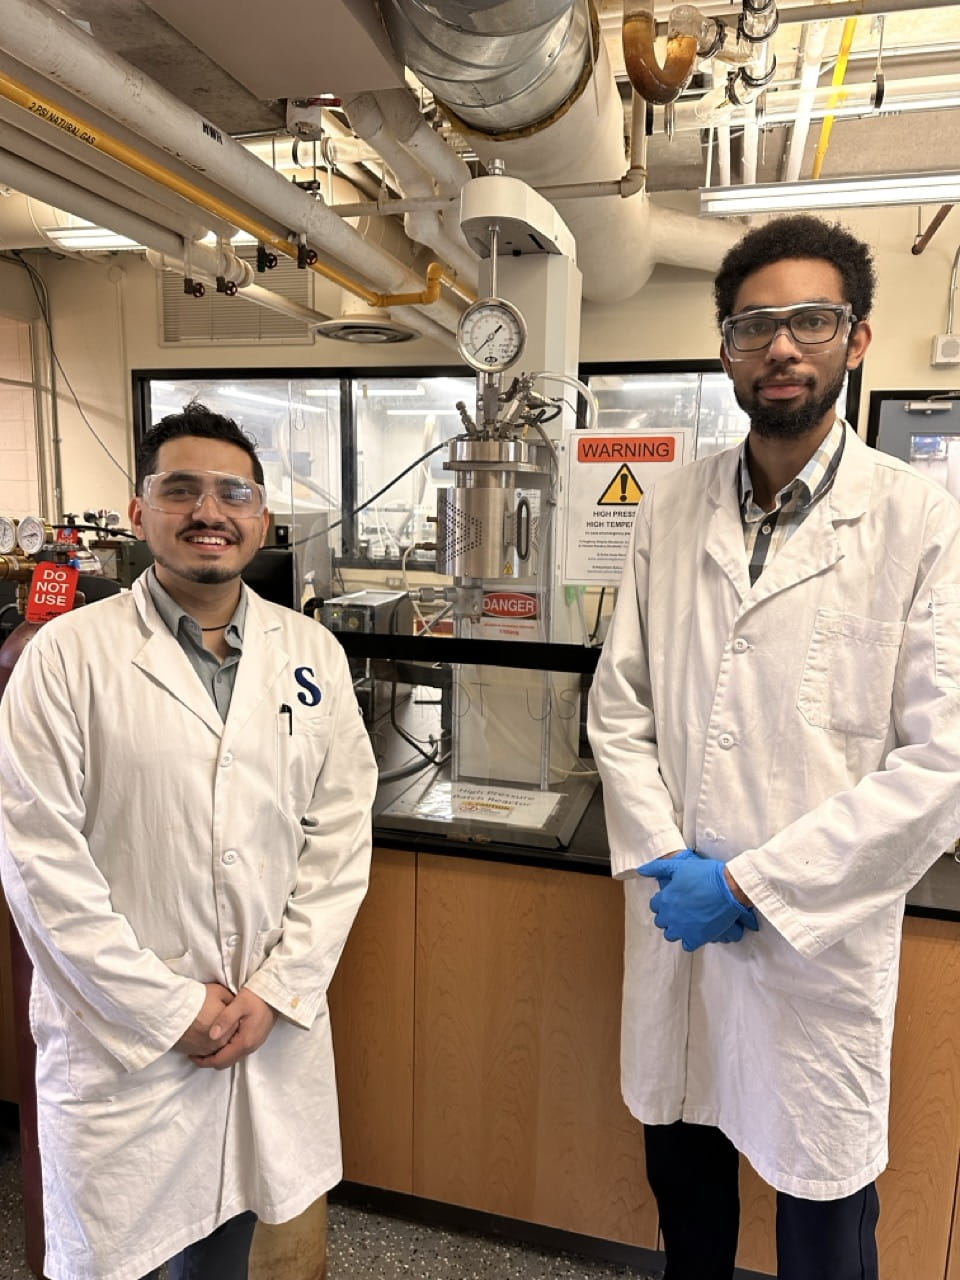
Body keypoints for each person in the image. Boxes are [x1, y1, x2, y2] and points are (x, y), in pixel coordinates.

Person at [588, 215, 960, 1280]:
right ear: (725, 350)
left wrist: (750, 883)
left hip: (816, 939)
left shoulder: (921, 522)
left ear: (858, 338)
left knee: (824, 1221)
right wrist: (671, 863)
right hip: (679, 916)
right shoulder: (670, 507)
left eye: (810, 320)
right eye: (755, 325)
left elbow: (942, 765)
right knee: (688, 1190)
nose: (782, 347)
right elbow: (623, 703)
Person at [0, 402, 378, 1280]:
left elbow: (340, 839)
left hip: (260, 1022)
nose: (209, 511)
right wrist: (172, 1008)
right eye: (181, 490)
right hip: (124, 1044)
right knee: (123, 1254)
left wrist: (279, 988)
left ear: (263, 519)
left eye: (233, 493)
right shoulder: (66, 659)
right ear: (139, 514)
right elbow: (40, 862)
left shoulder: (310, 653)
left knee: (225, 1250)